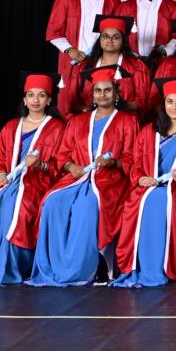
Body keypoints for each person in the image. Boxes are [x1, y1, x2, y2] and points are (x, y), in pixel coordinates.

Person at [28, 66, 139, 286]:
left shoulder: (128, 121)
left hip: (109, 181)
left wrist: (114, 162)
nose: (102, 95)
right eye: (98, 90)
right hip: (76, 178)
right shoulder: (78, 121)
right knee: (52, 201)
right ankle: (55, 265)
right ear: (92, 93)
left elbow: (133, 157)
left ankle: (82, 268)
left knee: (87, 206)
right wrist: (71, 166)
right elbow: (63, 155)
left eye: (107, 90)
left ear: (116, 93)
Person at [0, 73, 66, 286]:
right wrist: (1, 174)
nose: (36, 100)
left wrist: (40, 165)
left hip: (38, 181)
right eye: (31, 95)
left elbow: (61, 164)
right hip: (9, 179)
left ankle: (14, 267)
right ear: (24, 100)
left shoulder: (57, 128)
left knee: (19, 204)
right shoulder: (10, 126)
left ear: (49, 100)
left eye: (41, 95)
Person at [112, 77, 176, 288]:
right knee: (139, 202)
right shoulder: (149, 131)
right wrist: (141, 178)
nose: (175, 107)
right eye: (170, 102)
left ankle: (165, 266)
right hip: (149, 185)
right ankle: (138, 266)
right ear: (163, 104)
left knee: (164, 201)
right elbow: (136, 163)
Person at [47, 0, 120, 115]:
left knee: (100, 106)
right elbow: (54, 32)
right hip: (73, 62)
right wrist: (70, 50)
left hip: (101, 63)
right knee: (68, 106)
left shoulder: (114, 3)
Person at [68, 15, 152, 120]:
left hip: (125, 120)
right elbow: (72, 100)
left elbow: (143, 101)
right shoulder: (84, 66)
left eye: (116, 37)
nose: (110, 40)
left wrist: (117, 107)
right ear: (100, 39)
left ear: (123, 40)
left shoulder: (136, 66)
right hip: (89, 119)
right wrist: (89, 110)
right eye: (105, 36)